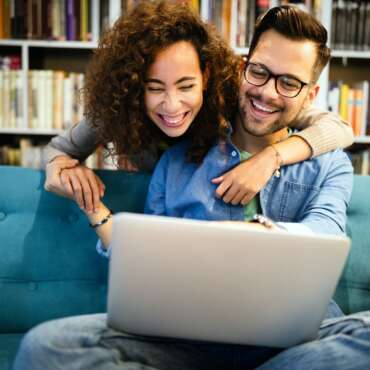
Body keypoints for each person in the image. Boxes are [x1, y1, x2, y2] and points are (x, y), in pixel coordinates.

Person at [14, 4, 370, 370]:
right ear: (244, 66)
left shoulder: (330, 163)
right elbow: (148, 264)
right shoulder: (177, 158)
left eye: (289, 82)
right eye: (260, 72)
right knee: (48, 346)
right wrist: (74, 183)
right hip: (189, 339)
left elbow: (325, 231)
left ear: (310, 95)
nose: (267, 92)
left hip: (298, 340)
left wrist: (260, 208)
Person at [42, 1, 353, 215]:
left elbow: (338, 129)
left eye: (186, 86)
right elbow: (58, 150)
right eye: (154, 87)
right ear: (134, 86)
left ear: (205, 77)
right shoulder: (118, 107)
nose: (173, 105)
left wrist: (270, 158)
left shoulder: (240, 91)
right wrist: (58, 167)